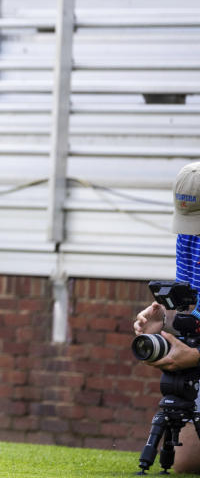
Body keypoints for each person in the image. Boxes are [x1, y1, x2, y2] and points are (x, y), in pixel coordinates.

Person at [133, 161, 200, 473]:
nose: (194, 233)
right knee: (187, 465)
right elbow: (190, 305)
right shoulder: (189, 235)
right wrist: (163, 317)